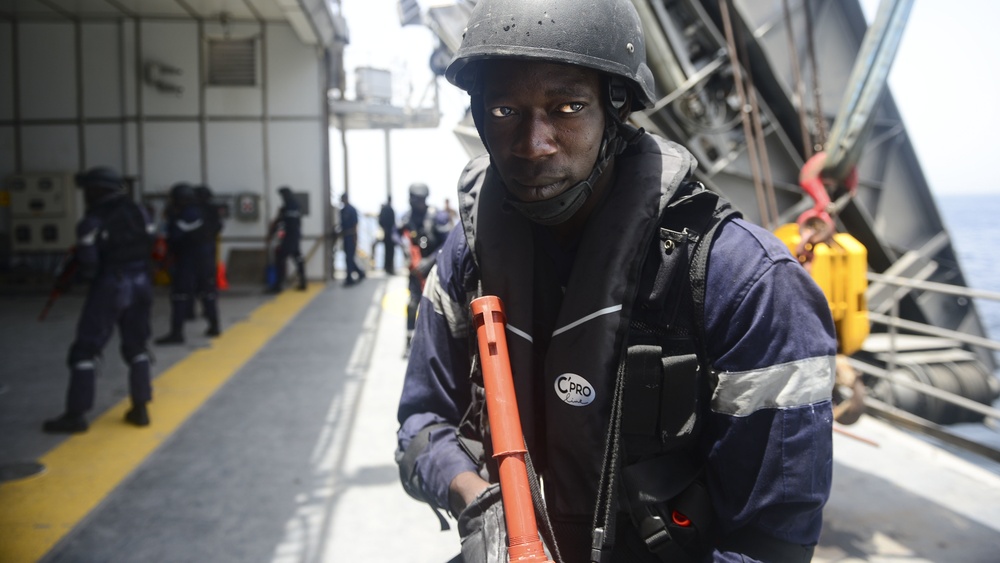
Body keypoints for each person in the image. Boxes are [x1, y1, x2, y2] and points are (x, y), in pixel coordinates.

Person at [394, 1, 837, 562]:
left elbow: (773, 544)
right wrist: (482, 503)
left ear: (617, 108)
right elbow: (420, 423)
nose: (534, 144)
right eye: (505, 110)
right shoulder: (469, 256)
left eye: (568, 107)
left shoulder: (746, 283)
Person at [43, 166, 156, 433]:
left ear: (98, 190)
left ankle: (76, 414)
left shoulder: (92, 220)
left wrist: (72, 279)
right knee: (137, 346)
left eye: (88, 190)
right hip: (142, 281)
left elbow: (88, 264)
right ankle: (140, 409)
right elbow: (152, 242)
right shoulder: (141, 211)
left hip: (112, 285)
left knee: (86, 350)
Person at [155, 182, 212, 345]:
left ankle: (177, 333)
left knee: (180, 295)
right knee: (207, 292)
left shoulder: (186, 215)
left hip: (189, 260)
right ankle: (214, 325)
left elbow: (175, 237)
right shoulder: (201, 211)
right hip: (203, 259)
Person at [400, 182, 452, 355]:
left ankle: (436, 343)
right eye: (414, 200)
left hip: (435, 269)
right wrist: (404, 246)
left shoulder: (437, 217)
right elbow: (396, 232)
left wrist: (429, 261)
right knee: (413, 304)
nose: (416, 203)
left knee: (437, 306)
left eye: (419, 200)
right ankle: (409, 341)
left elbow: (449, 241)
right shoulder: (407, 217)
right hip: (415, 270)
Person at [192, 184, 222, 336]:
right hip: (209, 251)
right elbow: (219, 226)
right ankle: (211, 319)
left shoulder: (195, 211)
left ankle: (192, 315)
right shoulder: (213, 209)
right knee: (208, 288)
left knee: (185, 290)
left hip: (195, 254)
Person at [266, 186, 307, 293]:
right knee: (298, 259)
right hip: (296, 236)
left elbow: (280, 222)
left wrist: (272, 233)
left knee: (280, 259)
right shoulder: (296, 206)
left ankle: (278, 285)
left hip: (290, 237)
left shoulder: (287, 207)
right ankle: (303, 283)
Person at [339, 192, 365, 286]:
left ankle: (349, 278)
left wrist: (355, 238)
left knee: (349, 257)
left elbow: (355, 225)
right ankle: (360, 273)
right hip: (345, 236)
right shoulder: (342, 210)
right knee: (348, 258)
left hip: (350, 236)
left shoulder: (351, 210)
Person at [378, 197, 397, 275]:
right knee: (391, 252)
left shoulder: (384, 209)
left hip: (386, 233)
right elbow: (393, 222)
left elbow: (380, 221)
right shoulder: (390, 209)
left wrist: (384, 228)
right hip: (391, 233)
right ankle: (390, 268)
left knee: (386, 251)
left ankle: (386, 267)